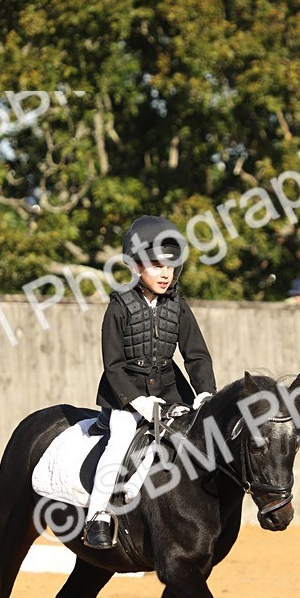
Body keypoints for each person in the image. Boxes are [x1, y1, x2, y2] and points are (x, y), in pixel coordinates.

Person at [83, 214, 217, 549]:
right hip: (123, 395)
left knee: (192, 439)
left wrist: (204, 392)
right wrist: (137, 401)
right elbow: (112, 366)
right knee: (123, 437)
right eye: (156, 265)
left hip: (171, 394)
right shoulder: (119, 307)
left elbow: (196, 355)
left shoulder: (178, 306)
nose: (165, 273)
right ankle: (98, 516)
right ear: (135, 266)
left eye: (170, 266)